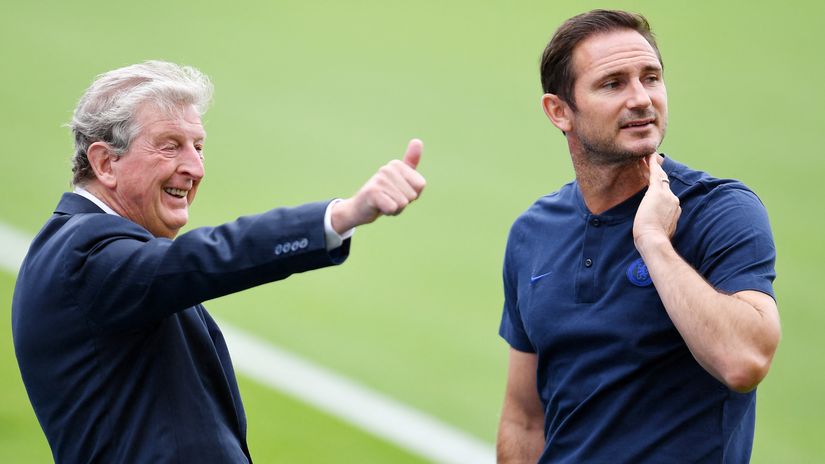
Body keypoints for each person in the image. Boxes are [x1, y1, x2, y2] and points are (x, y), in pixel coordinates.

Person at [11, 60, 426, 463]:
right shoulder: (85, 254)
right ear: (105, 163)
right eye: (170, 146)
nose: (195, 167)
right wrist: (340, 217)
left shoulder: (90, 250)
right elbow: (210, 255)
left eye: (199, 147)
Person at [496, 10, 780, 463]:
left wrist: (654, 242)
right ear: (559, 111)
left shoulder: (720, 211)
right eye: (613, 84)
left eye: (651, 78)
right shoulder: (533, 233)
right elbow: (525, 418)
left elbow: (744, 361)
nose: (641, 99)